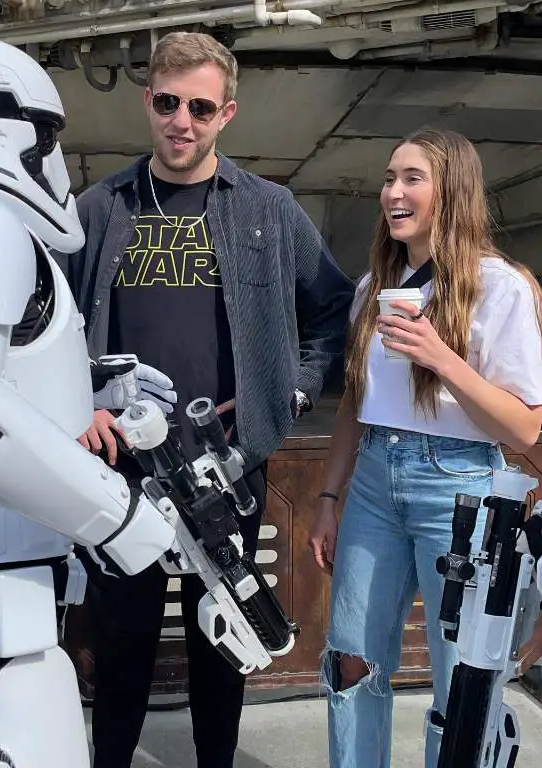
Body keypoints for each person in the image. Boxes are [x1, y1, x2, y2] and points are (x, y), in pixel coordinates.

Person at [54, 30, 355, 768]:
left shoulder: (268, 208)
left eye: (199, 106)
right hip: (121, 464)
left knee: (225, 630)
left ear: (227, 113)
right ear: (147, 103)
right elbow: (50, 323)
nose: (181, 120)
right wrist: (79, 402)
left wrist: (290, 391)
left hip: (227, 461)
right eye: (167, 103)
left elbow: (332, 311)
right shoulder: (100, 207)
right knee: (119, 636)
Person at [307, 128, 542, 768]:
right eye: (389, 179)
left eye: (412, 178)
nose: (393, 192)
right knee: (350, 659)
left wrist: (442, 357)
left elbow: (524, 429)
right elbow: (357, 403)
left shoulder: (501, 288)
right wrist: (328, 497)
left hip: (459, 483)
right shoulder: (373, 287)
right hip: (377, 482)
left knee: (458, 682)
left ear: (452, 192)